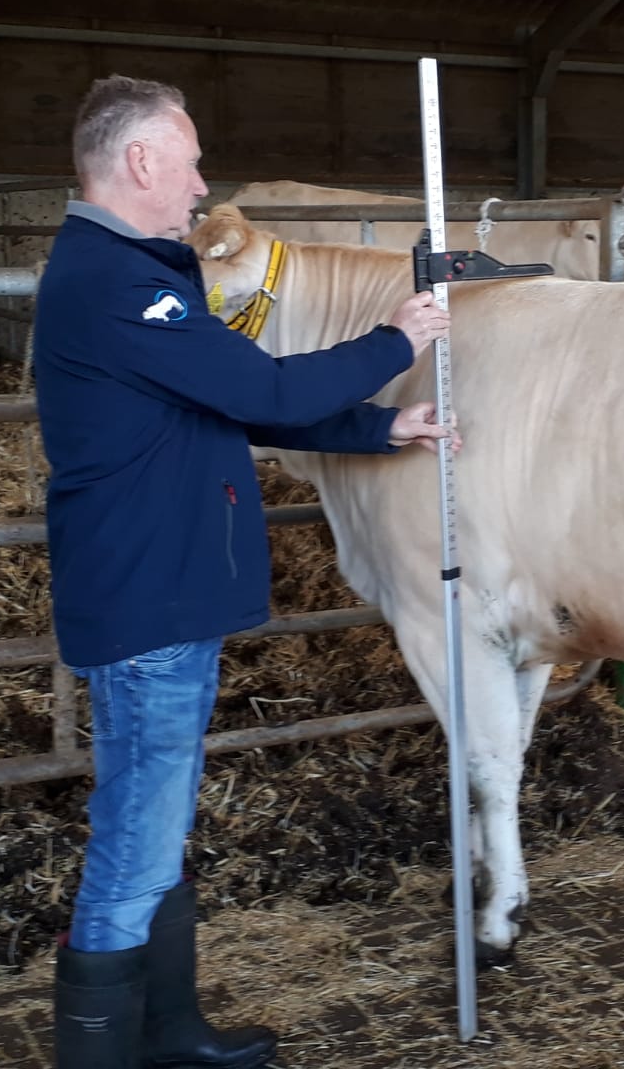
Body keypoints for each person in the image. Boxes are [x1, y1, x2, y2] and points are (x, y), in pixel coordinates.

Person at [33, 74, 453, 1069]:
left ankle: (171, 1034)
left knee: (154, 832)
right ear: (140, 162)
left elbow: (233, 403)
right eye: (188, 158)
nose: (200, 181)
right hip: (148, 604)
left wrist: (381, 424)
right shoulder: (116, 281)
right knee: (134, 850)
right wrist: (400, 339)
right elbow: (261, 382)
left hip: (162, 590)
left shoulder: (133, 269)